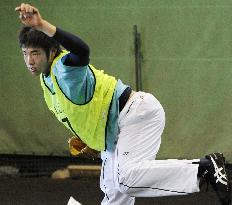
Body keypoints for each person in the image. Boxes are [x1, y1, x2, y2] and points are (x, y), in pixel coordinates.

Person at [15, 3, 231, 205]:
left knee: (126, 179)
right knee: (114, 193)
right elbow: (81, 111)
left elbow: (82, 50)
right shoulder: (47, 80)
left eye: (35, 53)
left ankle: (204, 168)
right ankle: (203, 168)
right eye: (25, 53)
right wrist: (92, 139)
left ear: (51, 52)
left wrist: (42, 25)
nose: (29, 61)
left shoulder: (64, 68)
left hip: (135, 116)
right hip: (115, 131)